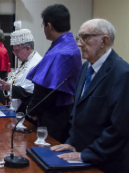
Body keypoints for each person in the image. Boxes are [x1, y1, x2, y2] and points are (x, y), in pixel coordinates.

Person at [50, 19, 129, 173]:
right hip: (82, 155)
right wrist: (72, 141)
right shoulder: (86, 67)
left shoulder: (123, 74)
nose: (79, 44)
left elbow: (120, 129)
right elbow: (77, 113)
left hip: (107, 164)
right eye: (79, 38)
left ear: (104, 41)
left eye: (85, 37)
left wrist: (87, 154)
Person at [26, 4, 82, 143]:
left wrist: (32, 111)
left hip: (55, 114)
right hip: (60, 109)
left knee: (48, 148)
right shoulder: (67, 45)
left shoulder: (61, 52)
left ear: (49, 26)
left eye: (43, 25)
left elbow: (46, 89)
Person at [0, 21, 43, 118]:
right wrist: (6, 87)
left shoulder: (37, 63)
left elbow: (31, 92)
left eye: (17, 51)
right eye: (13, 51)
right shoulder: (25, 61)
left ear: (27, 48)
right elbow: (15, 82)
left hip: (27, 112)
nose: (15, 54)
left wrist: (10, 88)